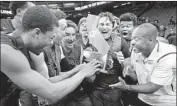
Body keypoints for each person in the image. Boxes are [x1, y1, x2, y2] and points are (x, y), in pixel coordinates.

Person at [1, 6, 104, 106]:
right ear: (37, 33)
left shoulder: (19, 47)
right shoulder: (6, 51)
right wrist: (83, 73)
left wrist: (78, 69)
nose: (51, 43)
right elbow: (51, 93)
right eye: (51, 38)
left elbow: (46, 82)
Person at [110, 23, 176, 106]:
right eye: (132, 39)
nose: (132, 43)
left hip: (165, 101)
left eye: (136, 39)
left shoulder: (168, 56)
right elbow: (138, 80)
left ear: (150, 40)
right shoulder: (136, 51)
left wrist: (127, 87)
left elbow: (152, 87)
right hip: (143, 97)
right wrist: (131, 73)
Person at [88, 12, 130, 106]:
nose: (104, 27)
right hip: (96, 90)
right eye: (101, 24)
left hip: (114, 89)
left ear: (113, 26)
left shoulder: (120, 41)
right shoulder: (91, 42)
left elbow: (129, 67)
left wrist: (123, 62)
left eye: (107, 24)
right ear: (97, 26)